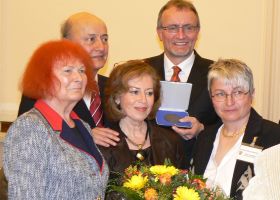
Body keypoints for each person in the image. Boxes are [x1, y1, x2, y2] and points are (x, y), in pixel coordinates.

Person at [3, 40, 109, 199]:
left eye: (81, 70)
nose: (79, 78)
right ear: (43, 77)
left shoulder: (82, 126)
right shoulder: (29, 128)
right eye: (68, 71)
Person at [17, 12, 119, 147]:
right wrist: (83, 136)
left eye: (105, 39)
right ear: (66, 43)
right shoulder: (44, 88)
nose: (101, 47)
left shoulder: (115, 87)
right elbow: (27, 139)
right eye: (91, 39)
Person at [192, 59, 280, 199]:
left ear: (252, 94)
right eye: (220, 94)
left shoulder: (273, 137)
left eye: (238, 92)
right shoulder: (205, 137)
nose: (229, 102)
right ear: (211, 97)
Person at [144, 0, 219, 164]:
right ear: (159, 33)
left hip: (198, 172)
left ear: (197, 31)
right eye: (172, 28)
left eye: (188, 27)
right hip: (145, 173)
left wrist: (202, 130)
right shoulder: (140, 71)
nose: (181, 35)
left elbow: (235, 125)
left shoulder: (218, 74)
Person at [99, 60, 187, 175]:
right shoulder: (104, 145)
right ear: (116, 97)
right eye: (135, 92)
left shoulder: (171, 141)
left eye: (149, 93)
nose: (143, 100)